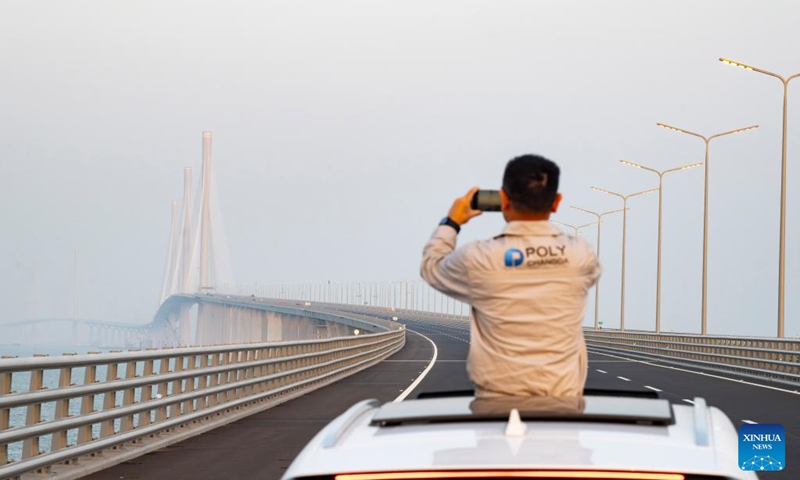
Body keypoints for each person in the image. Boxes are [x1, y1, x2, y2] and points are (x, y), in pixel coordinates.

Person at [420, 154, 601, 398]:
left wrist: (451, 222)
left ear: (503, 199)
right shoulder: (581, 254)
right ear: (556, 202)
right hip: (565, 404)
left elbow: (431, 267)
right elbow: (589, 276)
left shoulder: (479, 258)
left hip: (495, 405)